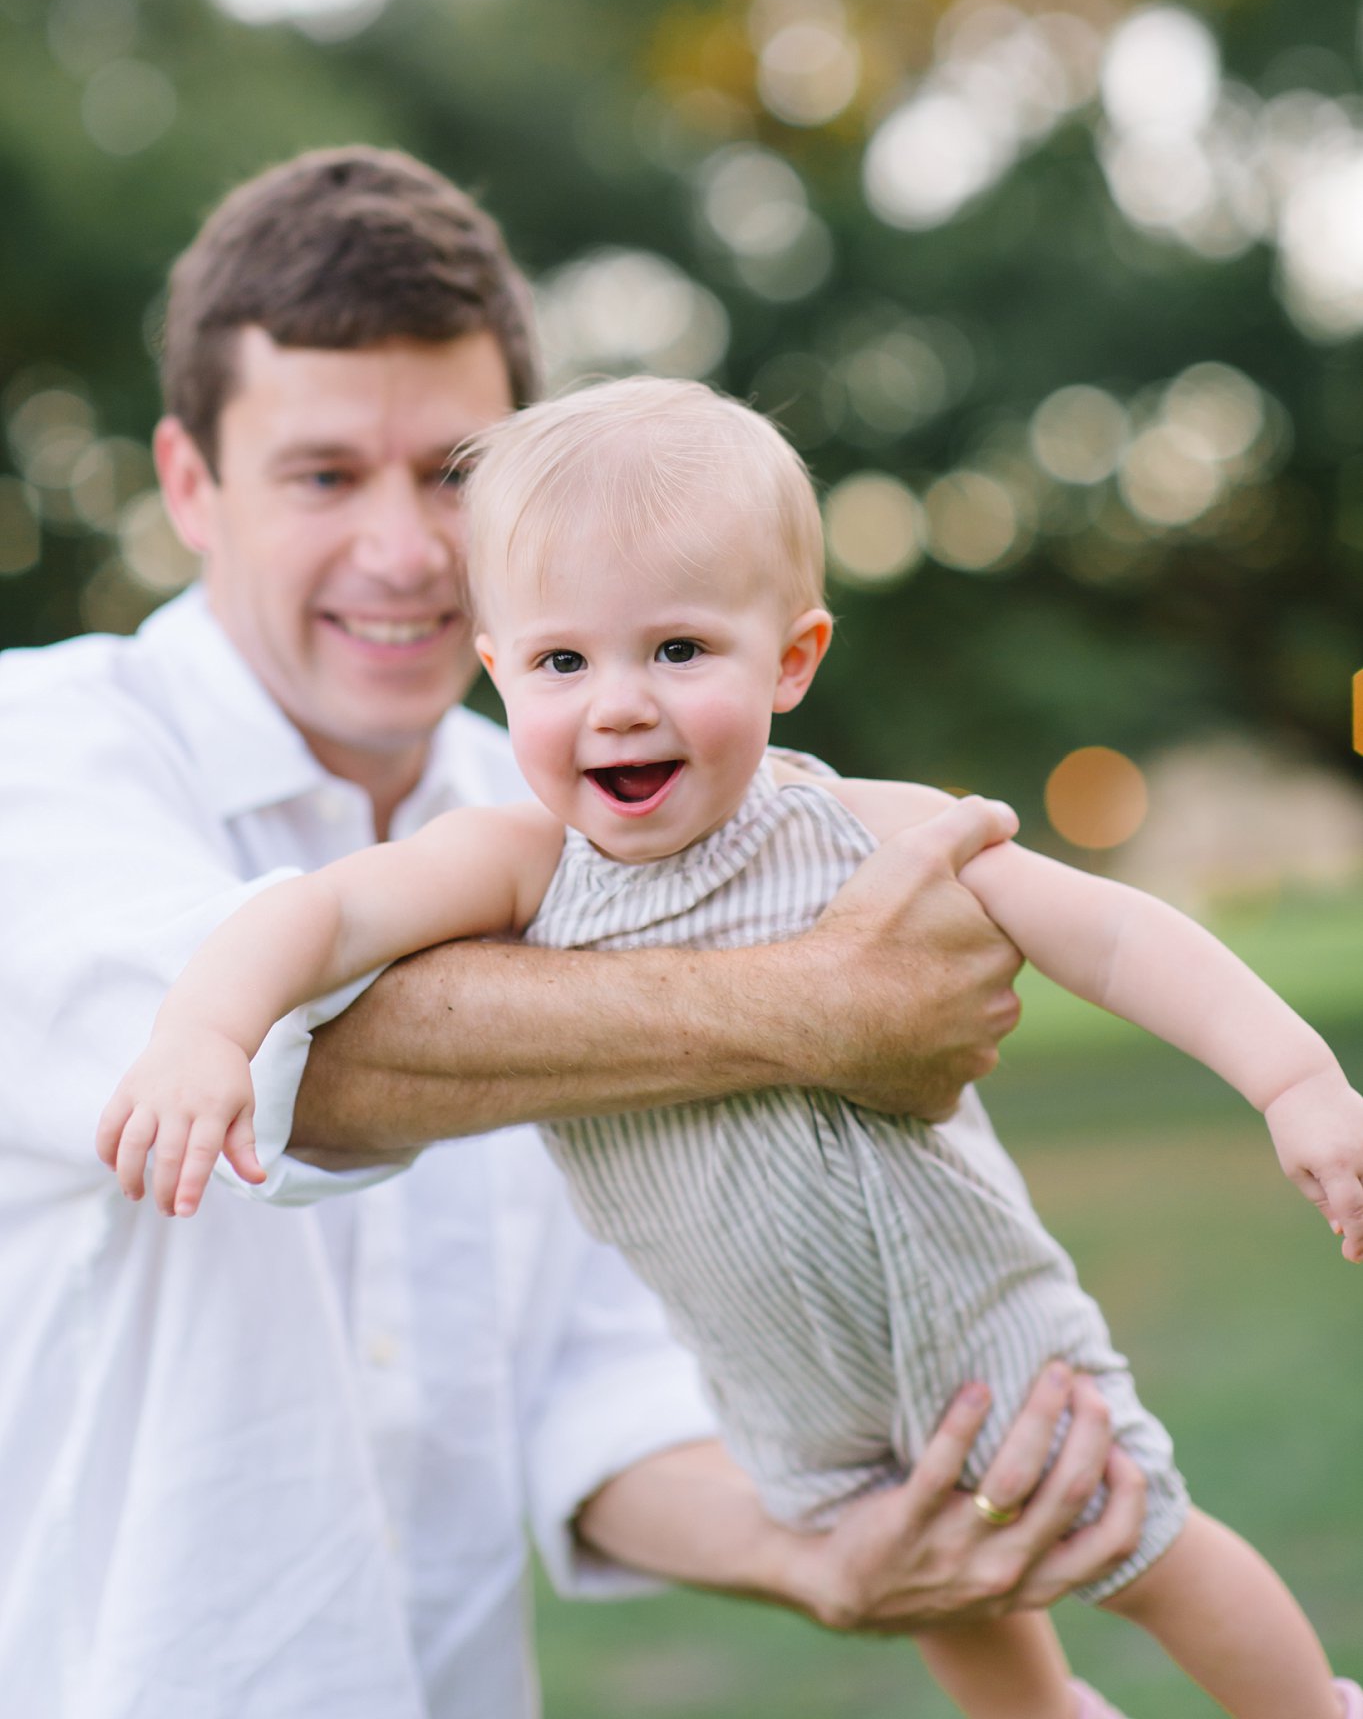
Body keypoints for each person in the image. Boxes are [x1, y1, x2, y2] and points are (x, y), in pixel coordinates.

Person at [0, 148, 1145, 1719]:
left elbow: (589, 1385)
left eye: (451, 476)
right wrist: (818, 1003)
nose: (408, 551)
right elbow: (293, 1063)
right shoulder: (43, 746)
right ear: (190, 483)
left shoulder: (596, 822)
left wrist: (823, 1549)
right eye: (325, 475)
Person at [104, 375, 1363, 1719]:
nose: (619, 705)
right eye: (563, 663)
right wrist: (204, 1028)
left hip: (973, 1316)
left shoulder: (855, 829)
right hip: (780, 1387)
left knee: (1139, 1541)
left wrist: (1297, 1083)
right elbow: (328, 911)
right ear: (500, 669)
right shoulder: (520, 866)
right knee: (957, 1584)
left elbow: (1108, 934)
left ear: (794, 658)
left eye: (681, 651)